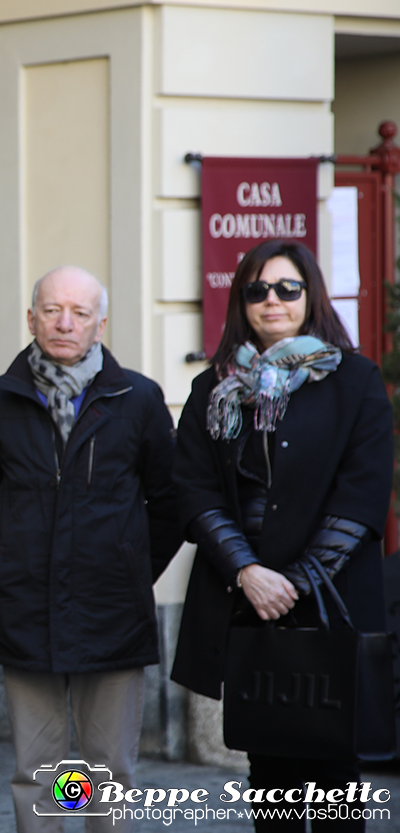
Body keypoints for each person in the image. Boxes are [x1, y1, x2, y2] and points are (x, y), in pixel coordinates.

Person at [170, 239, 392, 831]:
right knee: (270, 778)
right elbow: (194, 490)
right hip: (246, 604)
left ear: (309, 295)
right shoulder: (212, 389)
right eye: (257, 290)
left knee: (336, 781)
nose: (272, 301)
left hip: (328, 604)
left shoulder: (356, 381)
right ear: (241, 302)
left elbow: (362, 493)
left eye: (287, 288)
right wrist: (246, 570)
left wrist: (290, 584)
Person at [0, 265, 182, 833]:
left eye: (79, 313)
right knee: (42, 773)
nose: (64, 323)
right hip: (26, 613)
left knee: (108, 772)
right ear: (31, 318)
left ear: (100, 323)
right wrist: (13, 562)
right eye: (52, 310)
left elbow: (171, 503)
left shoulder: (139, 399)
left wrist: (131, 568)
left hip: (113, 613)